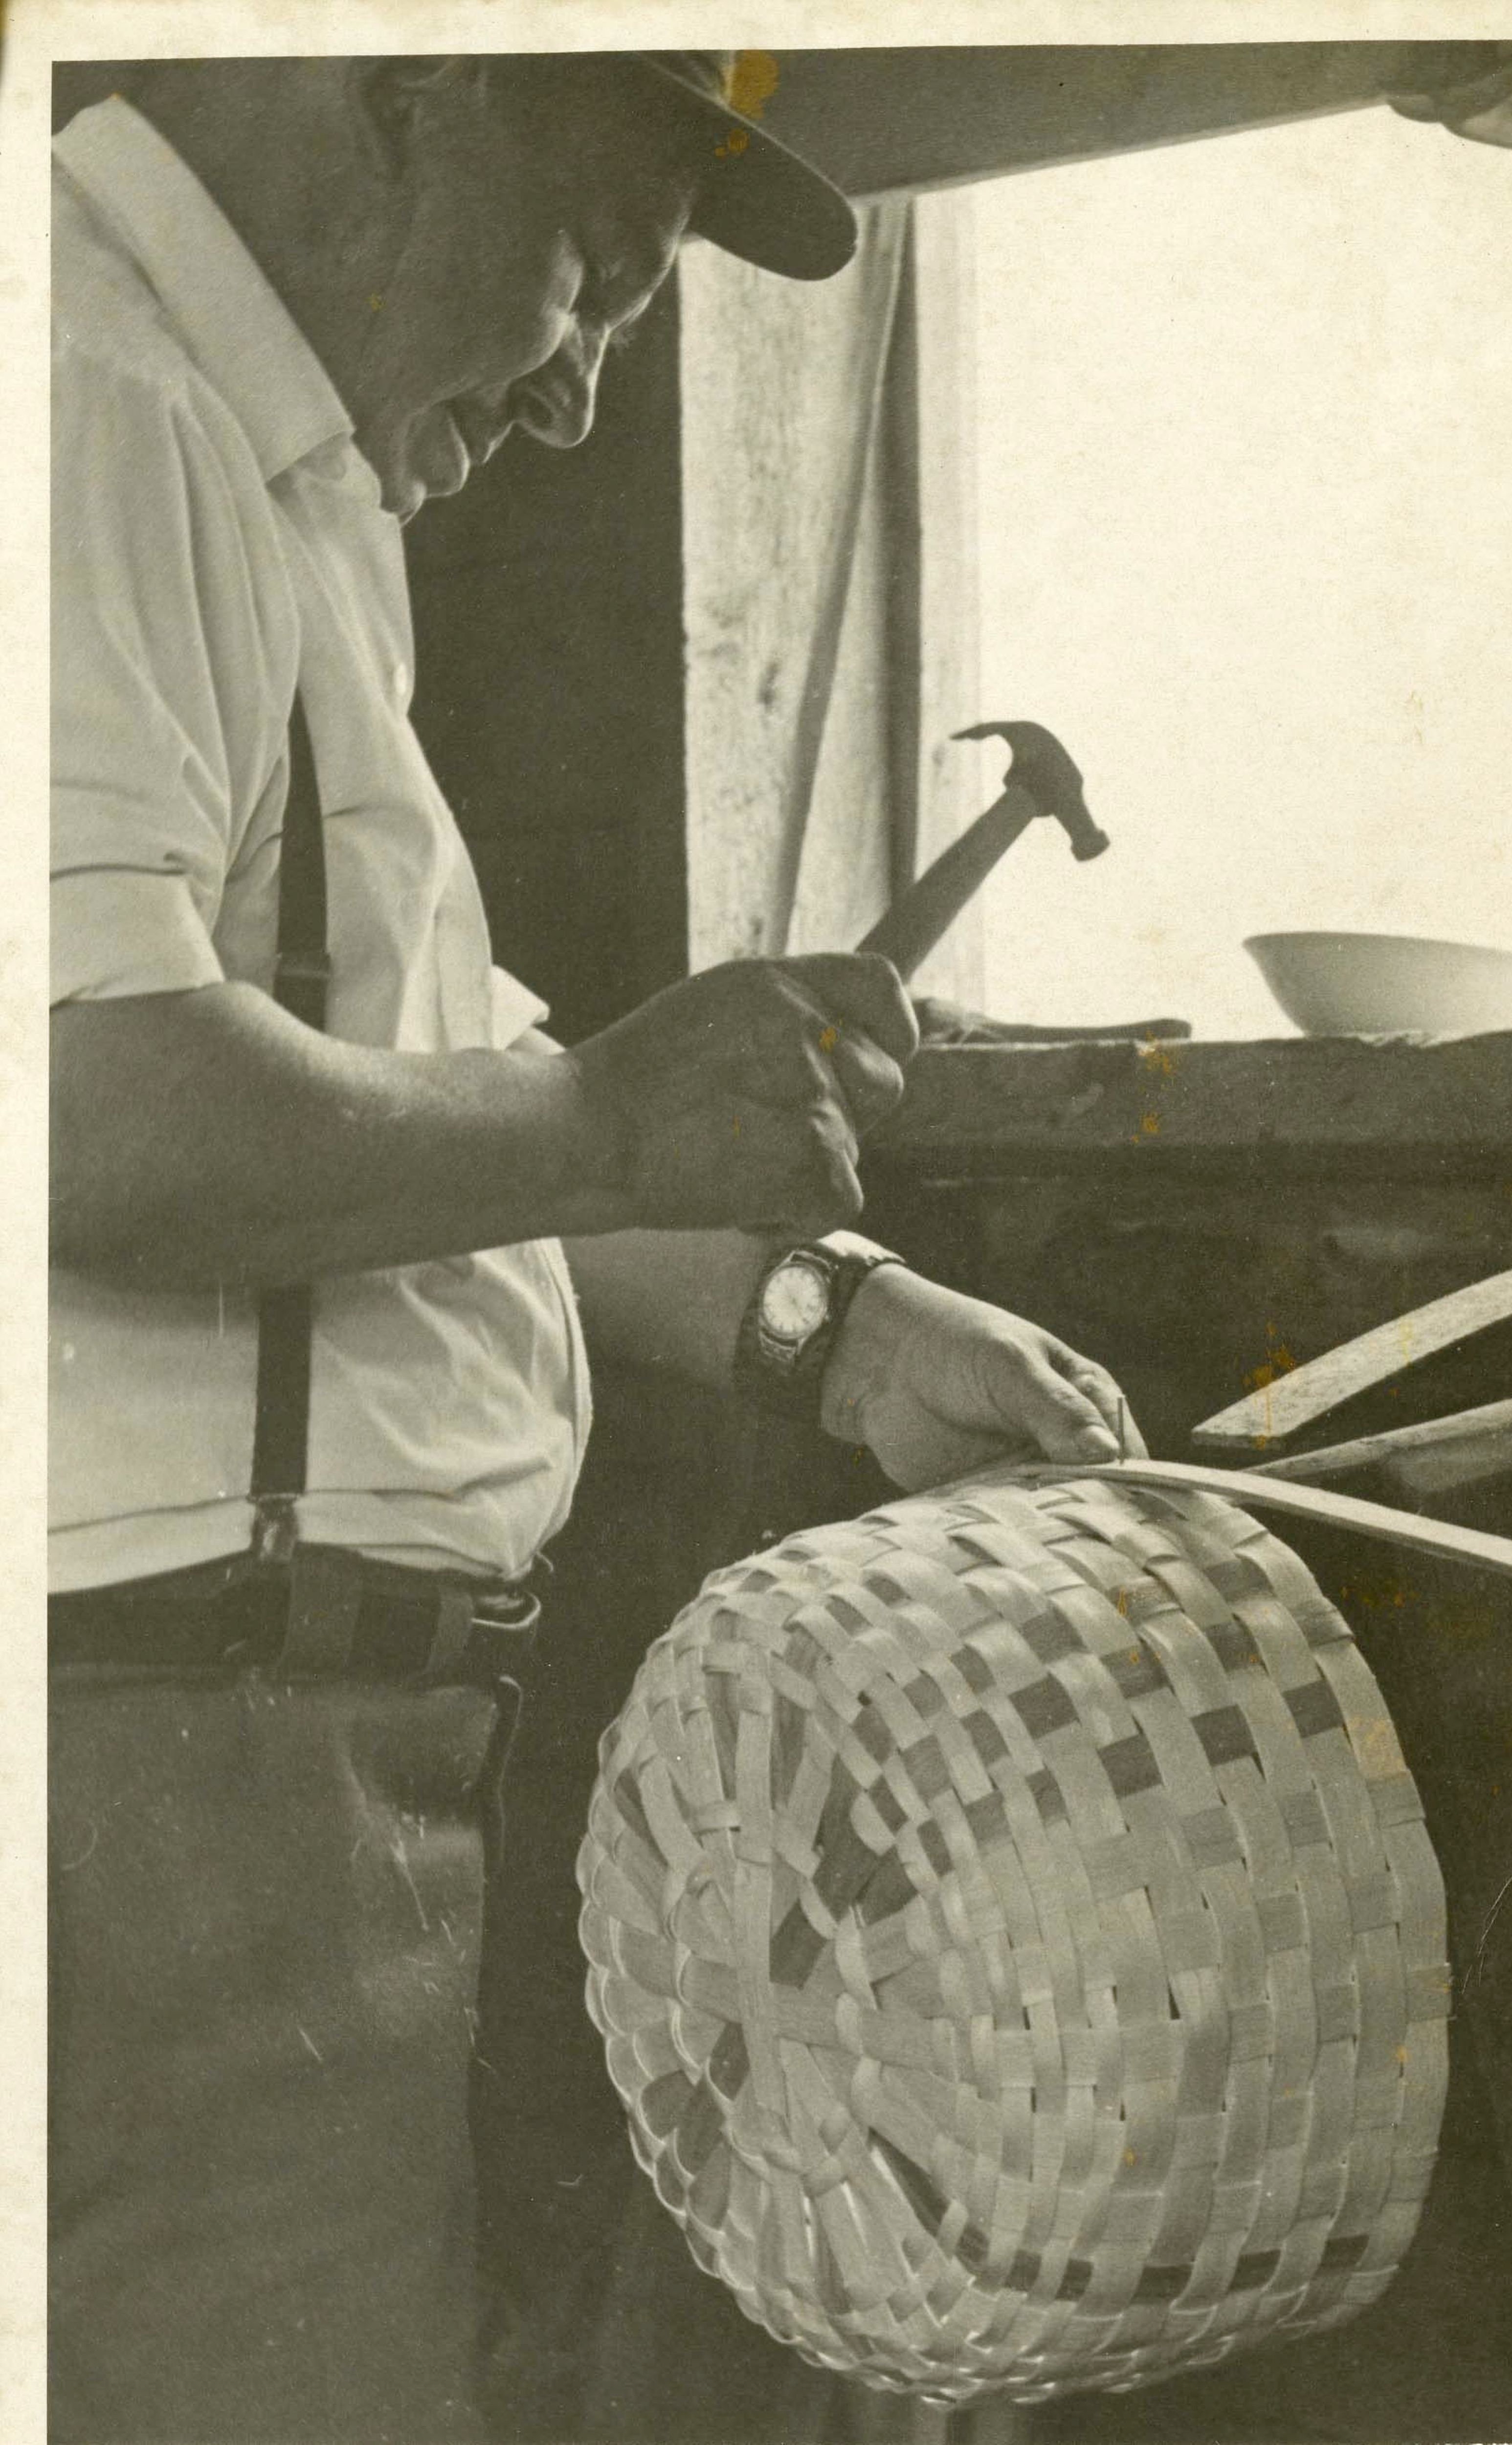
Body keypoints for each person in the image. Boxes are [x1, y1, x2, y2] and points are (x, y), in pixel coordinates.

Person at [47, 51, 1144, 2443]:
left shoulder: (264, 463)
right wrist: (619, 1114)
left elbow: (420, 1091)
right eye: (594, 280)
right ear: (408, 98)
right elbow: (84, 1104)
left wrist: (825, 1321)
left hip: (278, 1763)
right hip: (173, 1768)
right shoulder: (89, 398)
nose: (574, 396)